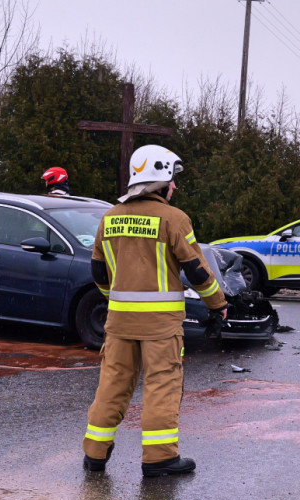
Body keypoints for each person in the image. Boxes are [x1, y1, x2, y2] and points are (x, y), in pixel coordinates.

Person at [83, 145, 228, 478]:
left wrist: (115, 299)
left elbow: (98, 272)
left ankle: (94, 454)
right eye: (172, 179)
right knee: (161, 385)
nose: (174, 186)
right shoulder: (173, 219)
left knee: (112, 385)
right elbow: (197, 271)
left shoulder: (110, 217)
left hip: (118, 323)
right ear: (161, 180)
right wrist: (217, 305)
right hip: (161, 327)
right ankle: (159, 458)